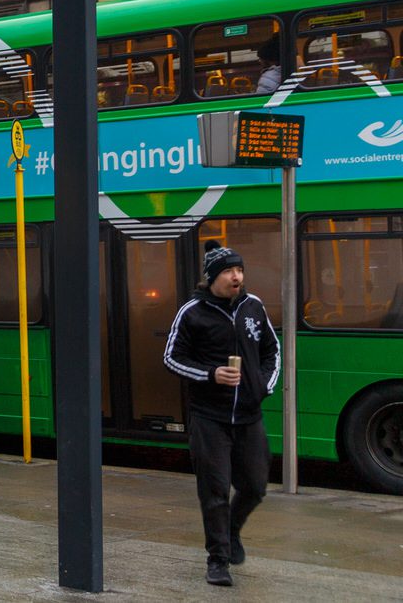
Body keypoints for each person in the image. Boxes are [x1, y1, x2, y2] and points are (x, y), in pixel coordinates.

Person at [163, 243, 281, 588]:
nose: (237, 277)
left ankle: (232, 531)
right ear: (213, 277)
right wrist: (210, 374)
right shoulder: (192, 312)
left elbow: (272, 351)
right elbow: (171, 358)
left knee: (256, 487)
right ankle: (218, 560)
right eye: (230, 271)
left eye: (240, 270)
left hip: (249, 416)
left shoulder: (253, 306)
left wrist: (263, 386)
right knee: (214, 491)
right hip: (209, 417)